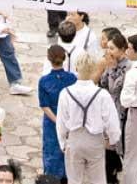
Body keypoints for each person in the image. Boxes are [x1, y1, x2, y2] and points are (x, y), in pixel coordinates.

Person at [55, 52, 121, 184]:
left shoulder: (66, 93)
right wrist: (113, 139)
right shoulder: (102, 94)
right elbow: (112, 121)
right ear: (94, 69)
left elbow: (61, 122)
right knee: (98, 180)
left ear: (76, 68)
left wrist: (62, 142)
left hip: (74, 139)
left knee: (74, 180)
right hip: (95, 140)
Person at [38, 44, 76, 183]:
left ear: (49, 59)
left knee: (51, 151)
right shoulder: (72, 78)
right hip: (69, 119)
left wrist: (57, 120)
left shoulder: (44, 81)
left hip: (51, 121)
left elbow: (44, 105)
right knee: (67, 149)